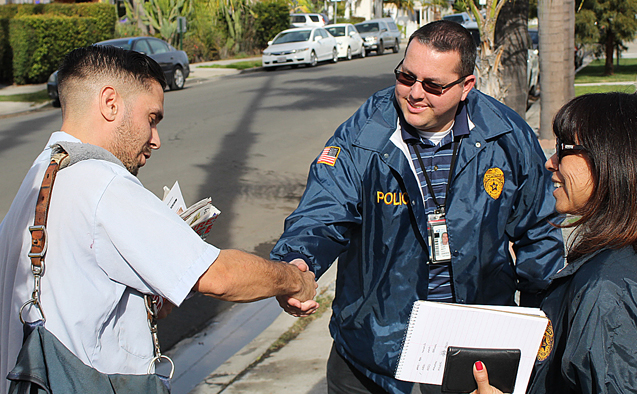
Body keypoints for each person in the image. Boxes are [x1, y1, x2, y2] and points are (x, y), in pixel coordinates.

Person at [0, 45, 317, 393]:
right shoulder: (103, 184)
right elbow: (220, 276)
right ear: (110, 103)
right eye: (151, 119)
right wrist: (292, 279)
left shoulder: (40, 178)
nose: (156, 140)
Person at [270, 20, 565, 394]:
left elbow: (539, 233)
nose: (414, 93)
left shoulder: (506, 136)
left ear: (466, 87)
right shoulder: (365, 133)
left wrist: (539, 329)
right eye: (406, 77)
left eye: (433, 85)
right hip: (371, 352)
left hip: (473, 353)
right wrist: (298, 262)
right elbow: (324, 209)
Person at [474, 92, 637, 394]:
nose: (550, 163)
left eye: (563, 149)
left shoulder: (609, 292)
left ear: (615, 160)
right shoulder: (635, 262)